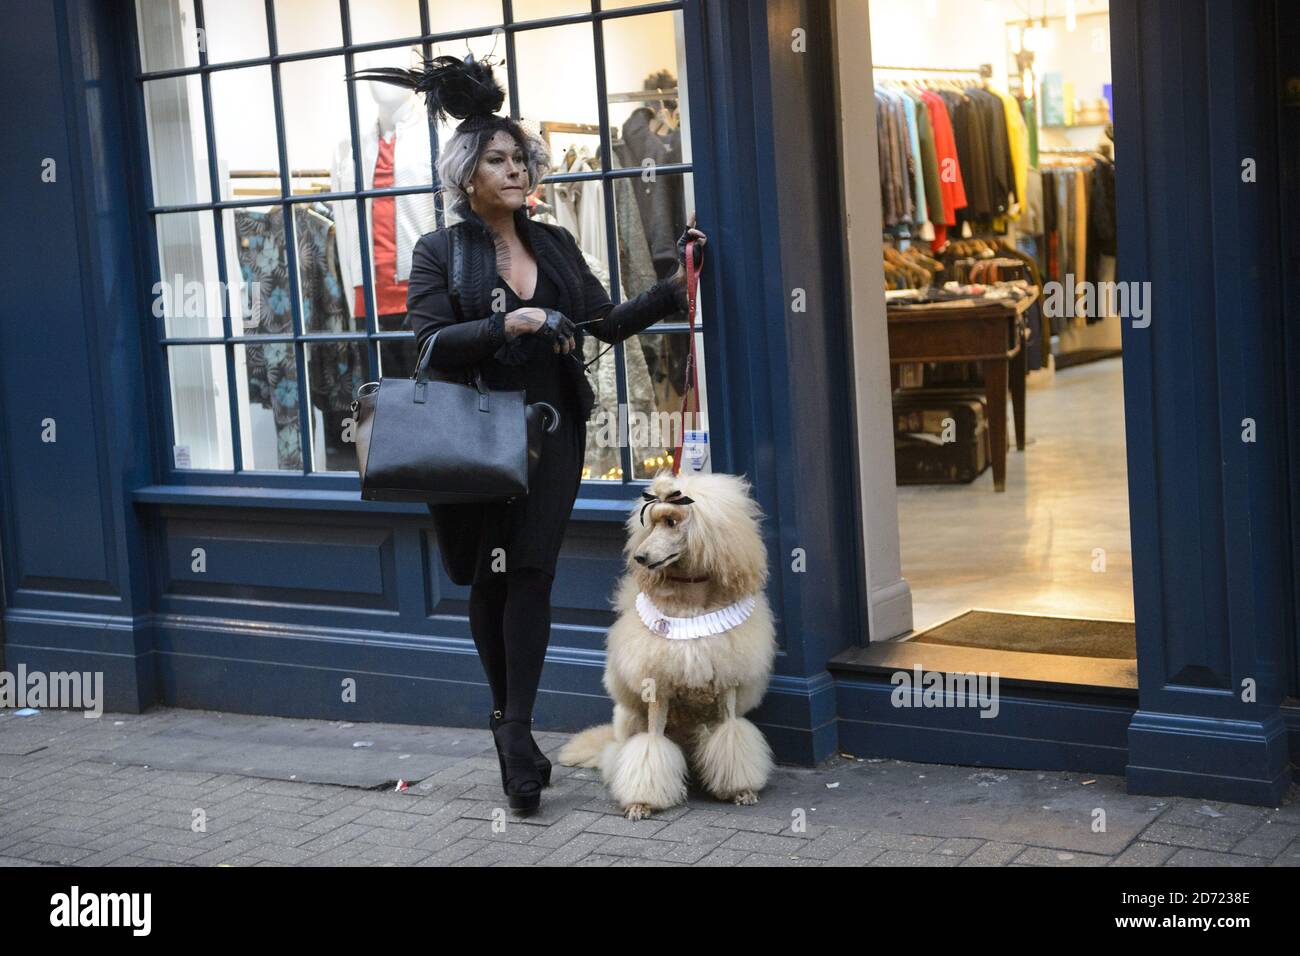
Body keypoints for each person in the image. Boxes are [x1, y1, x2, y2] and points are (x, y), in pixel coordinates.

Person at [353, 54, 706, 812]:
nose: (516, 169)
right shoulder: (439, 251)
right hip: (473, 438)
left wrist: (676, 288)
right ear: (467, 175)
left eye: (520, 157)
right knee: (491, 576)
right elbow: (428, 343)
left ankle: (514, 728)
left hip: (550, 431)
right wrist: (503, 321)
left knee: (534, 574)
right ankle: (511, 728)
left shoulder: (551, 245)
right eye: (498, 159)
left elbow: (604, 322)